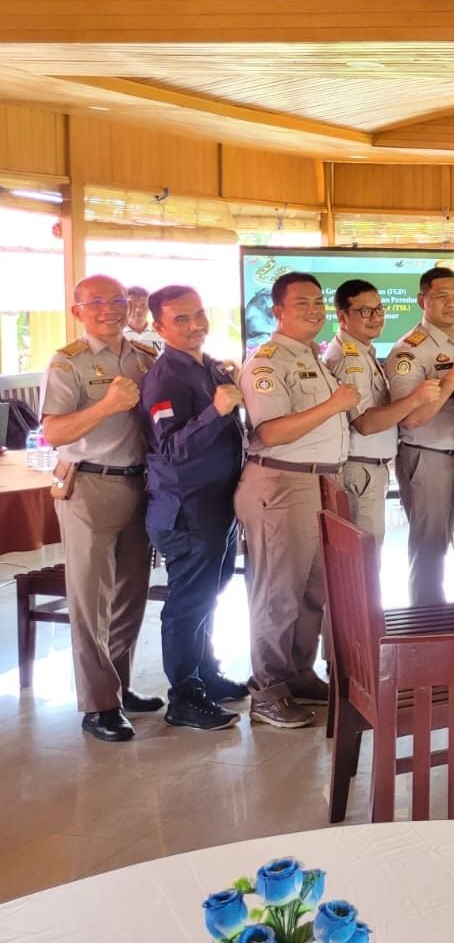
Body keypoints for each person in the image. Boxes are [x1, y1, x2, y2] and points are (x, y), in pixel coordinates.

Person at [41, 275, 162, 742]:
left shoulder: (144, 356)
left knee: (132, 591)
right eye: (96, 302)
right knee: (91, 599)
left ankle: (119, 685)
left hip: (140, 482)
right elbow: (54, 432)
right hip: (90, 484)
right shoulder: (67, 362)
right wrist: (107, 405)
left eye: (117, 300)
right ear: (78, 311)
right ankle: (98, 705)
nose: (109, 309)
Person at [236, 272, 356, 729]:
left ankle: (298, 674)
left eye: (317, 301)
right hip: (282, 484)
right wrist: (333, 405)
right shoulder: (267, 362)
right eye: (301, 302)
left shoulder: (312, 357)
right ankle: (267, 691)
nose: (313, 310)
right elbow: (271, 433)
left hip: (319, 483)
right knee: (277, 593)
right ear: (277, 311)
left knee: (312, 591)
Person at [140, 284, 248, 731]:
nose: (195, 325)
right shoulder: (165, 376)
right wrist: (216, 411)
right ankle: (184, 695)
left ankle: (206, 673)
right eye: (180, 319)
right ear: (159, 326)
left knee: (211, 593)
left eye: (199, 314)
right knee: (188, 602)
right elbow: (172, 448)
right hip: (187, 509)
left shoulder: (208, 366)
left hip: (219, 504)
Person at [384, 266, 454, 605]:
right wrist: (452, 380)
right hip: (430, 457)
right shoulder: (409, 351)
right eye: (441, 296)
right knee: (431, 551)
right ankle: (427, 625)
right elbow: (410, 419)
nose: (452, 303)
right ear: (421, 300)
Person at [323, 280, 441, 543]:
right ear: (342, 316)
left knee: (368, 552)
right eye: (365, 311)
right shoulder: (349, 359)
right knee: (364, 555)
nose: (376, 317)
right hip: (360, 469)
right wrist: (416, 399)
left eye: (379, 309)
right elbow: (364, 423)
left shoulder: (363, 351)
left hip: (369, 468)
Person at [122, 285, 164, 354]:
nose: (138, 310)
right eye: (133, 305)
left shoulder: (162, 332)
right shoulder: (115, 334)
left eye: (143, 304)